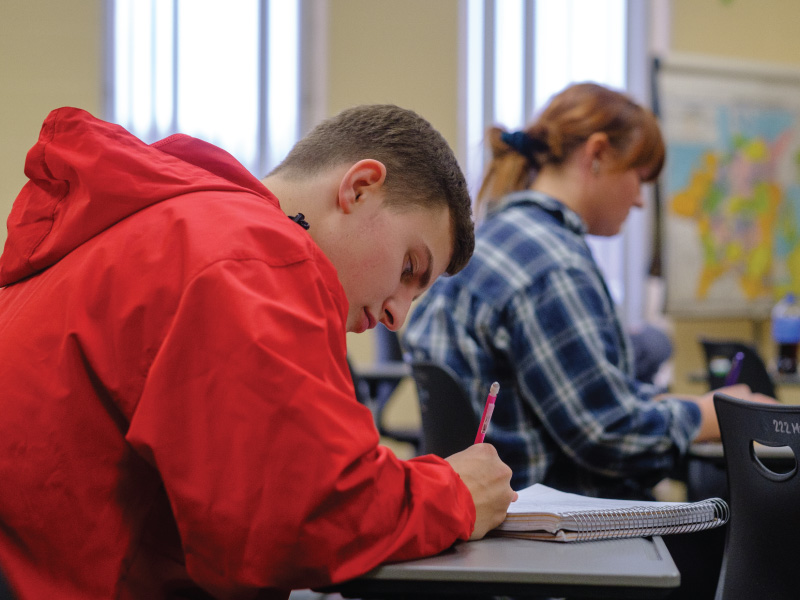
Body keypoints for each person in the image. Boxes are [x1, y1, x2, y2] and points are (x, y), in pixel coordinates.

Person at [0, 105, 516, 600]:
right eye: (409, 268)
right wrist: (455, 495)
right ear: (359, 189)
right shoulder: (253, 257)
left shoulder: (162, 224)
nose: (397, 316)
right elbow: (292, 522)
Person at [402, 83, 775, 598]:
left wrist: (669, 406)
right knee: (765, 534)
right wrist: (710, 414)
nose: (641, 199)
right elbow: (609, 439)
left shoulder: (496, 239)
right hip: (559, 538)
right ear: (597, 155)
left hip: (496, 536)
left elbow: (578, 404)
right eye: (639, 178)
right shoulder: (552, 263)